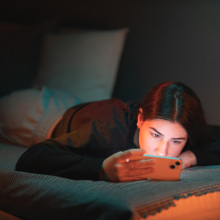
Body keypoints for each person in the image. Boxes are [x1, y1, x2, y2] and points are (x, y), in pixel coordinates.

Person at [15, 82, 220, 182]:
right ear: (140, 119)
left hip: (86, 109)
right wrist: (101, 169)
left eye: (176, 141)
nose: (162, 152)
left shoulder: (182, 127)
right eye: (156, 135)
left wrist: (190, 157)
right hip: (37, 114)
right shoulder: (108, 130)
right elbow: (31, 157)